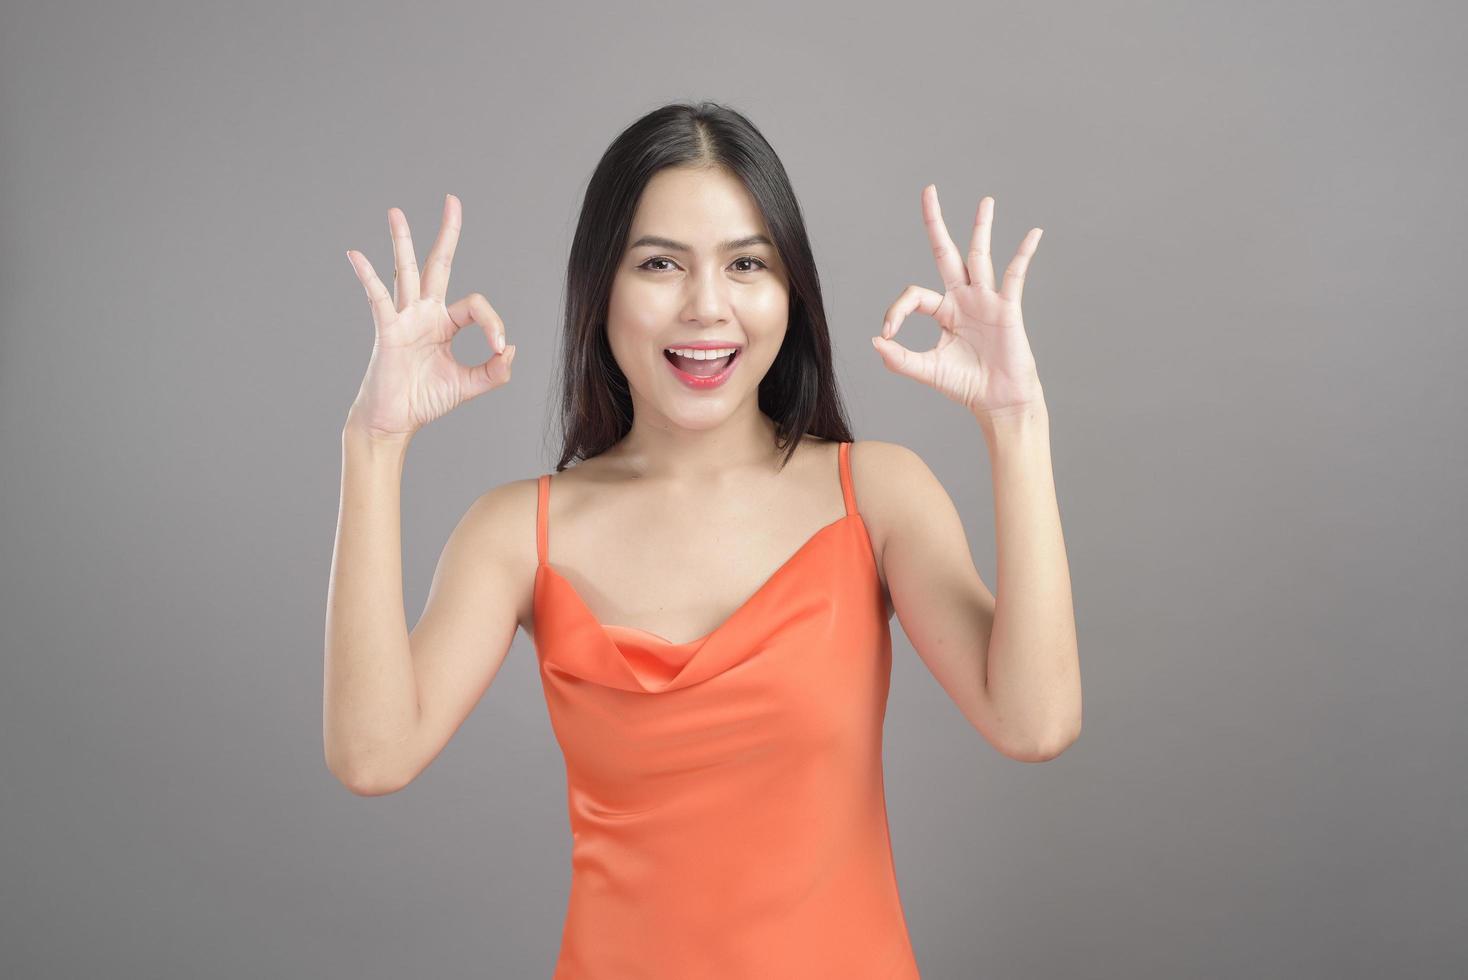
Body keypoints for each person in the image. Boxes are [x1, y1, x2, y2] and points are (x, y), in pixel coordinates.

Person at [324, 101, 1080, 978]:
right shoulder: (516, 534)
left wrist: (1017, 423)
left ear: (790, 290)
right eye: (659, 265)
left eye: (746, 264)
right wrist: (373, 444)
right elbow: (372, 755)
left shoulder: (875, 494)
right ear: (599, 286)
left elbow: (1037, 722)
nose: (707, 307)